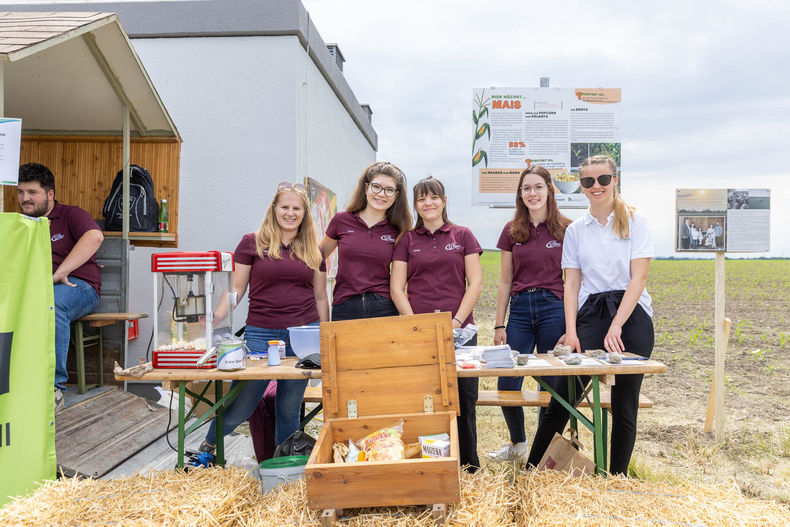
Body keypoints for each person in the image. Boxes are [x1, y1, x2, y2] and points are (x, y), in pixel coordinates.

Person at [526, 155, 654, 476]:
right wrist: (571, 331)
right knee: (562, 399)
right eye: (588, 181)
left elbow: (638, 279)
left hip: (631, 315)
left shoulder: (636, 221)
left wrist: (617, 325)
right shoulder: (576, 231)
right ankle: (531, 472)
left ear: (614, 180)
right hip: (590, 315)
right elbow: (571, 284)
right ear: (580, 187)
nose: (596, 187)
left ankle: (617, 479)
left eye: (603, 180)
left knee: (625, 405)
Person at [199, 181, 329, 457]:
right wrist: (217, 316)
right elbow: (236, 288)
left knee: (289, 407)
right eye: (285, 207)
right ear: (274, 208)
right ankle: (208, 448)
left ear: (305, 213)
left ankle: (284, 467)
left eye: (297, 208)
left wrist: (325, 334)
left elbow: (320, 296)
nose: (290, 213)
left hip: (303, 337)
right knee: (242, 404)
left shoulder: (314, 250)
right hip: (261, 335)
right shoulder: (251, 242)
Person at [390, 176, 483, 472]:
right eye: (421, 199)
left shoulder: (462, 235)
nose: (427, 203)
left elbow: (476, 282)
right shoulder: (407, 239)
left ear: (443, 200)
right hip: (419, 334)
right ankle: (431, 466)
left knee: (465, 402)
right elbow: (397, 288)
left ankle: (469, 466)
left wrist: (455, 323)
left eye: (433, 197)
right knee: (424, 402)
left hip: (461, 334)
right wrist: (415, 325)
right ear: (415, 205)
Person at [487, 165, 571, 462]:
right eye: (526, 188)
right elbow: (505, 280)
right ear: (520, 194)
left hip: (553, 308)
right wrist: (500, 324)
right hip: (520, 310)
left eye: (538, 187)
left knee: (549, 383)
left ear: (550, 189)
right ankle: (519, 446)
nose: (532, 193)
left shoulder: (566, 228)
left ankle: (543, 450)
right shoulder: (511, 231)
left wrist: (572, 327)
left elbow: (575, 281)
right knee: (507, 381)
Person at [17, 163, 103, 414]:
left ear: (50, 194)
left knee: (51, 304)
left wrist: (60, 273)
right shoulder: (21, 223)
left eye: (32, 192)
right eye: (21, 192)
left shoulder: (70, 214)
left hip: (79, 286)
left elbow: (94, 237)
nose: (25, 199)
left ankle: (53, 389)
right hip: (35, 289)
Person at [320, 161, 412, 321]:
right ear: (366, 187)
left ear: (396, 195)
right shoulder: (341, 220)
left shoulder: (399, 230)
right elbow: (316, 257)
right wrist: (318, 295)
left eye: (389, 190)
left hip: (383, 308)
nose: (382, 194)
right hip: (345, 306)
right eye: (376, 187)